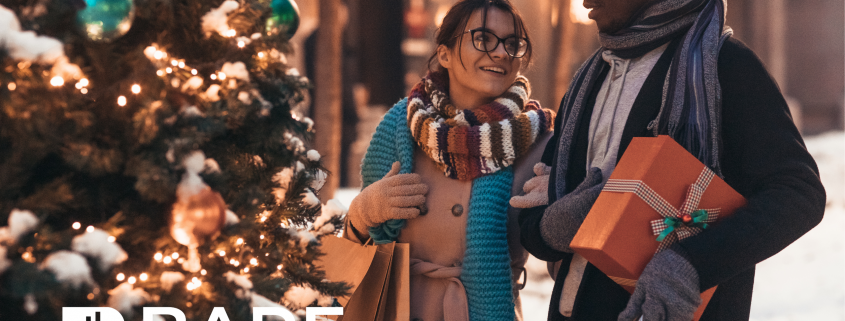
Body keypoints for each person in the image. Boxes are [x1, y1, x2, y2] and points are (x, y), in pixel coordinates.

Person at [512, 0, 826, 320]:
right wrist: (557, 226)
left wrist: (691, 263)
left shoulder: (726, 66)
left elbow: (799, 194)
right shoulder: (585, 84)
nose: (585, 2)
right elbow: (534, 225)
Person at [342, 1, 555, 320]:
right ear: (444, 54)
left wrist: (560, 213)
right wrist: (362, 212)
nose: (500, 53)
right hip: (393, 308)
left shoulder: (538, 141)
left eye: (512, 44)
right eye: (483, 38)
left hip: (483, 311)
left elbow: (563, 264)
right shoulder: (400, 128)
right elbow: (355, 251)